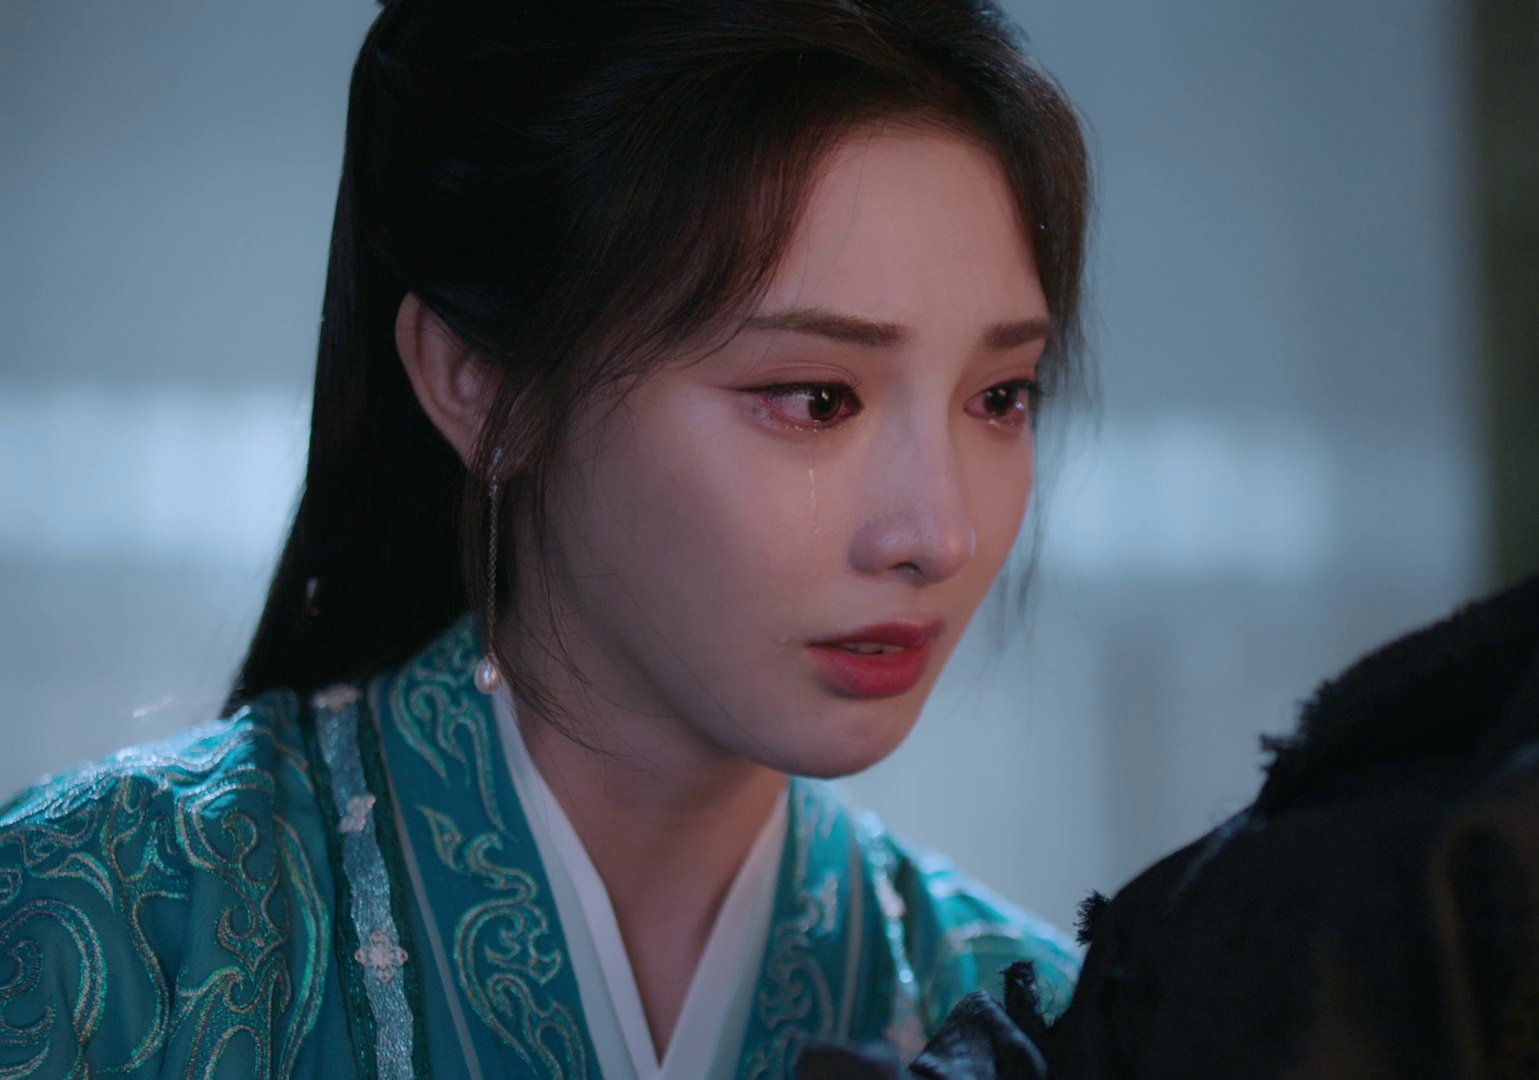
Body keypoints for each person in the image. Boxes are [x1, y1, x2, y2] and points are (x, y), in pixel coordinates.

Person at [0, 2, 1091, 1078]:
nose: (940, 533)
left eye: (1000, 395)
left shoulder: (1056, 1024)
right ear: (483, 385)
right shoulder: (96, 930)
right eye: (816, 398)